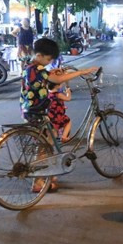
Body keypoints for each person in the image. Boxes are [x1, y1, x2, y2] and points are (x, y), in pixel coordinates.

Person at [20, 38, 97, 192]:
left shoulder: (31, 67)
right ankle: (38, 182)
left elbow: (48, 77)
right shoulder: (37, 69)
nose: (49, 62)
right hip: (37, 111)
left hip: (30, 109)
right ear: (40, 55)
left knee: (50, 140)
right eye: (48, 59)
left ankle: (49, 175)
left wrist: (52, 72)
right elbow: (58, 79)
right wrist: (82, 72)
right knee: (44, 147)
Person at [47, 69, 73, 143]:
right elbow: (68, 99)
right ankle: (64, 137)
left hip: (50, 114)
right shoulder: (58, 94)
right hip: (57, 115)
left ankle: (58, 136)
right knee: (68, 121)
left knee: (54, 129)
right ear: (57, 86)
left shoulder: (48, 93)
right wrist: (68, 92)